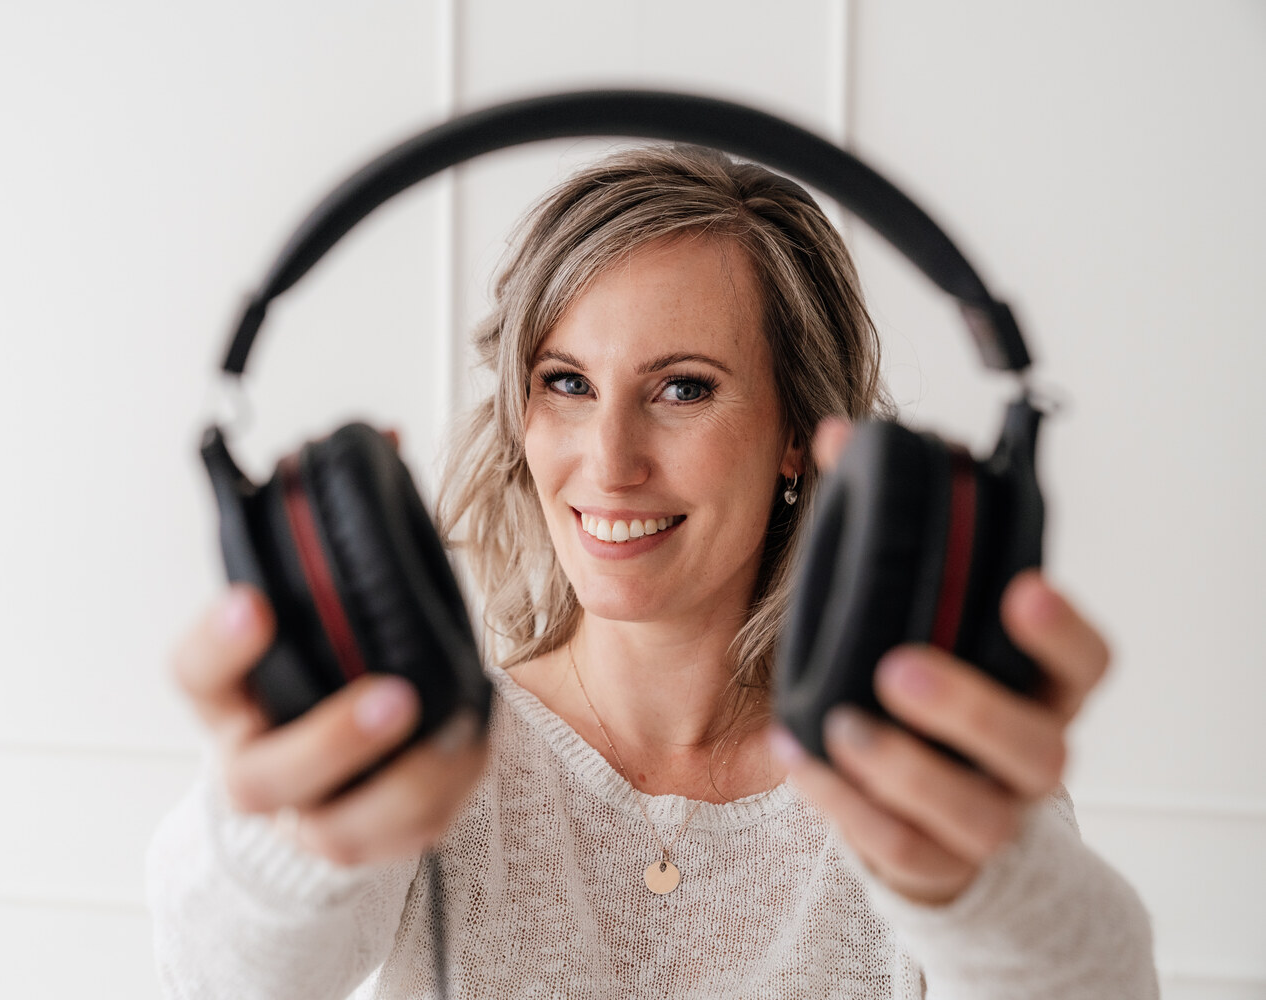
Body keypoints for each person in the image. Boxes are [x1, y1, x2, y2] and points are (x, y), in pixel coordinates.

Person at [147, 145, 1158, 998]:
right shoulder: (427, 754)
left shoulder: (907, 771)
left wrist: (986, 893)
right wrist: (283, 837)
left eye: (682, 387)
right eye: (566, 383)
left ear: (802, 435)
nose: (609, 459)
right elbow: (224, 970)